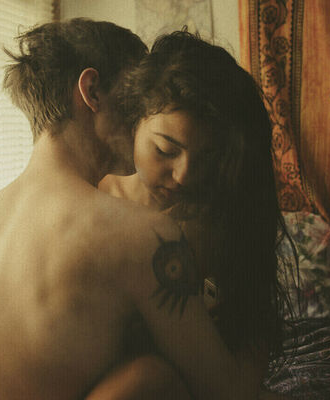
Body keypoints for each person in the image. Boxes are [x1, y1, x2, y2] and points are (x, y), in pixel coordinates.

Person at [0, 20, 260, 400]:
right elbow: (228, 391)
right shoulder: (142, 233)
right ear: (92, 91)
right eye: (136, 92)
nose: (143, 110)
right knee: (154, 376)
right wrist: (260, 317)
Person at [96, 30, 291, 398]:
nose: (185, 175)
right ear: (135, 122)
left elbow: (249, 328)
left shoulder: (216, 221)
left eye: (207, 157)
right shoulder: (92, 202)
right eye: (165, 150)